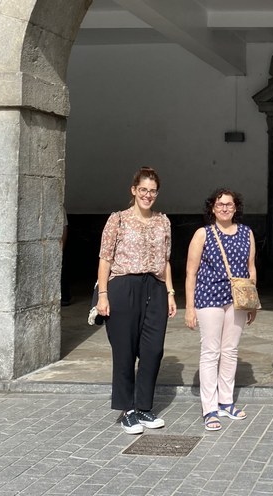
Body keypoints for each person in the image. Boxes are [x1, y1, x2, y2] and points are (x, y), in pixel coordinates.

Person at [95, 167, 177, 435]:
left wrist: (170, 292)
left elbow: (165, 260)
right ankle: (127, 409)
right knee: (125, 350)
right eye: (143, 190)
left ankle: (144, 406)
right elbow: (105, 258)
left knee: (153, 349)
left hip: (155, 286)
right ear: (133, 190)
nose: (148, 195)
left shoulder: (163, 221)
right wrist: (103, 295)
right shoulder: (117, 220)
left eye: (152, 191)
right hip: (123, 286)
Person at [185, 189, 257, 431]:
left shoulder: (246, 233)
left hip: (236, 299)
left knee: (230, 351)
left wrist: (252, 300)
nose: (225, 208)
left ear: (236, 208)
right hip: (209, 297)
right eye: (220, 204)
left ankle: (226, 401)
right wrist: (189, 307)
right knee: (210, 352)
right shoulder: (203, 234)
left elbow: (250, 267)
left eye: (229, 204)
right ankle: (210, 408)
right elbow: (191, 272)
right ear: (212, 208)